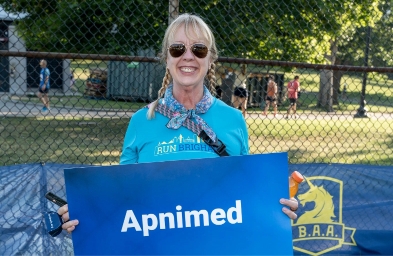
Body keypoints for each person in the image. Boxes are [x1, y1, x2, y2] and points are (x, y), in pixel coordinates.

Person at [58, 13, 298, 234]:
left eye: (199, 49)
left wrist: (277, 207)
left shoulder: (234, 119)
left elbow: (244, 193)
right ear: (166, 57)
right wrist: (85, 211)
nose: (188, 56)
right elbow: (124, 198)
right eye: (177, 48)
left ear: (211, 58)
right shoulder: (142, 120)